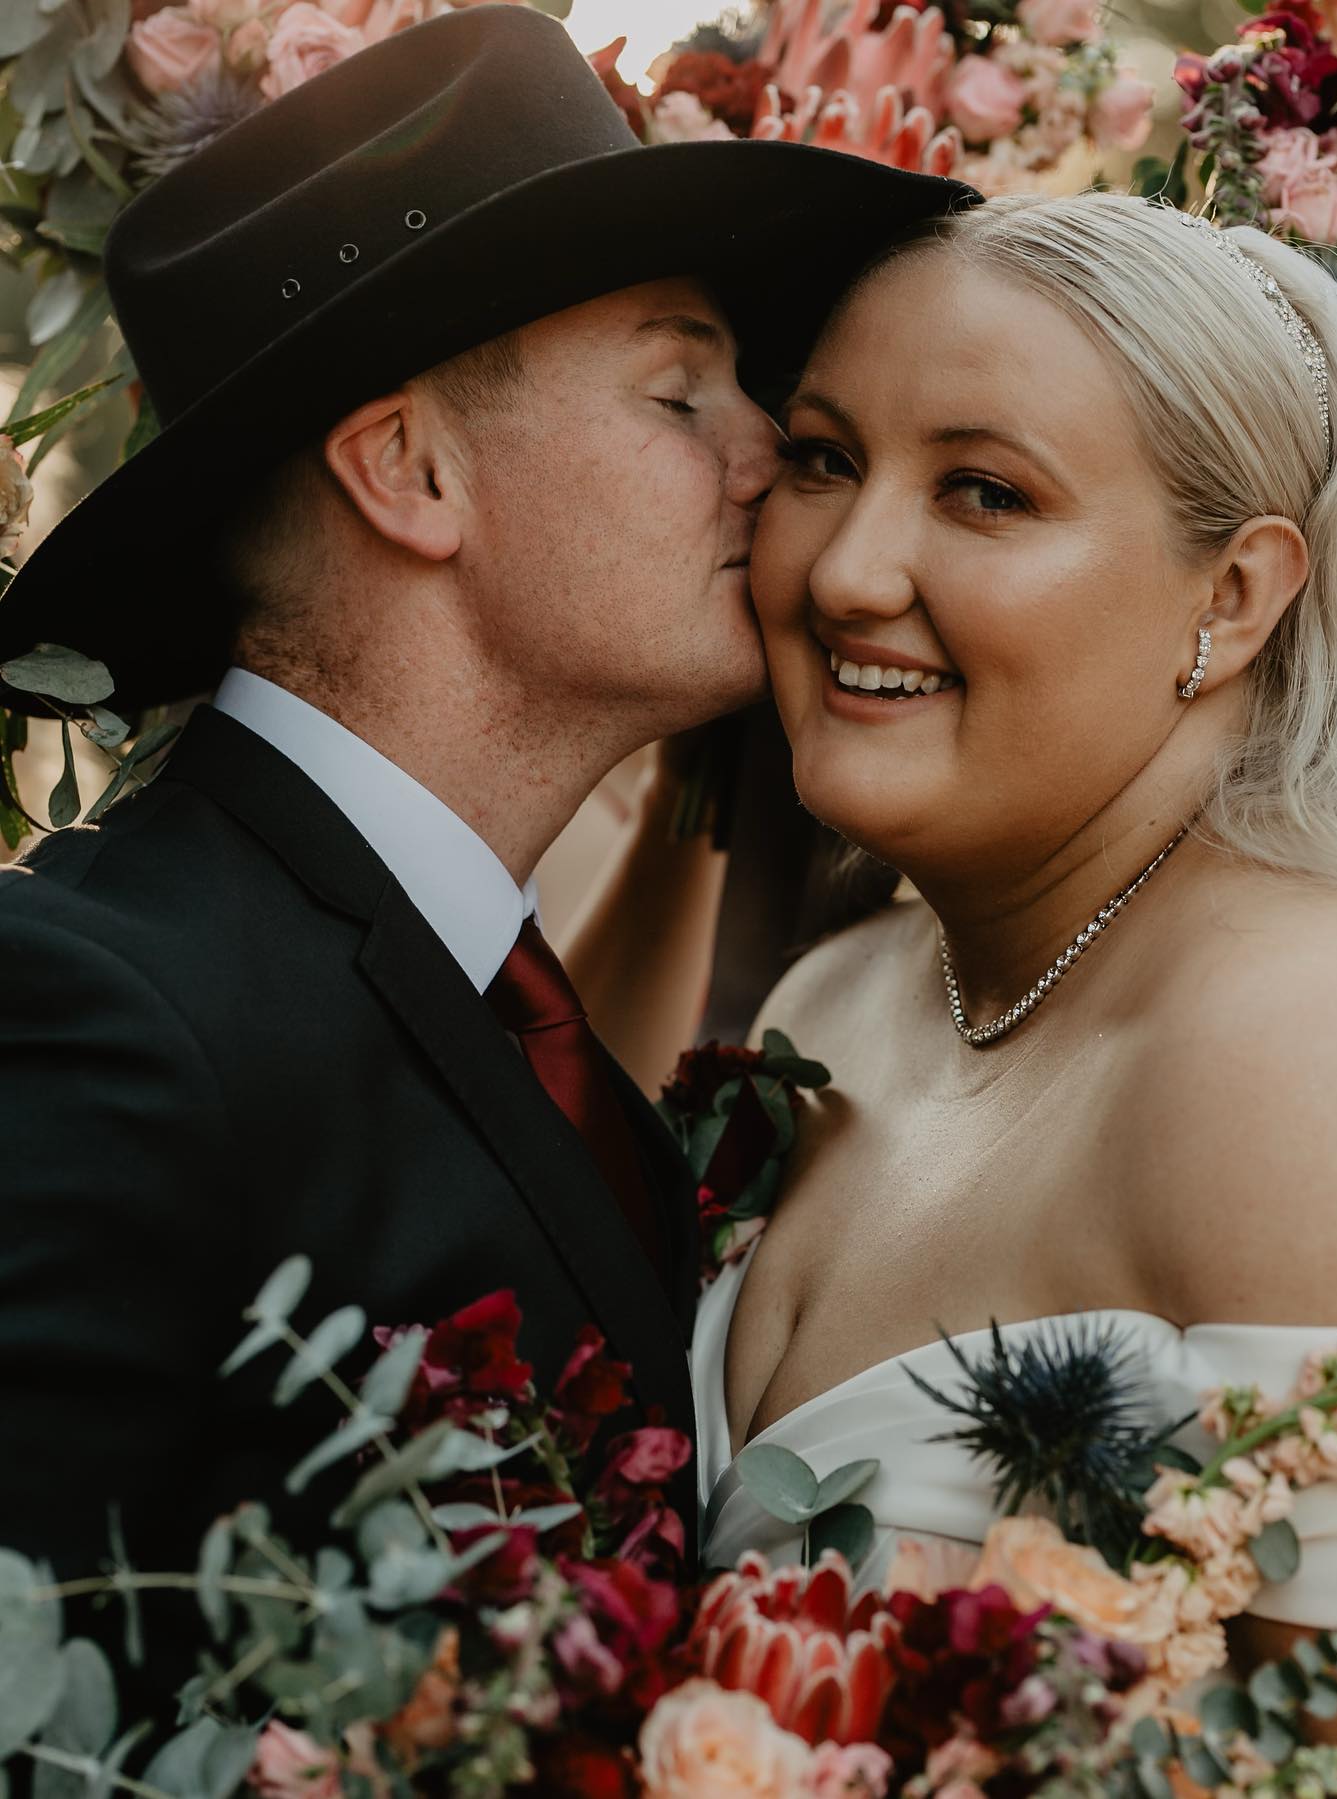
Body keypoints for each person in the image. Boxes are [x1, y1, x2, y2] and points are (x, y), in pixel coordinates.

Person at [0, 0, 969, 1635]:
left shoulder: (514, 1015)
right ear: (410, 474)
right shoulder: (94, 1014)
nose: (774, 451)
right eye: (682, 394)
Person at [692, 192, 1337, 1791]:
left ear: (1234, 596)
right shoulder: (834, 1004)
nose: (849, 571)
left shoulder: (1322, 1045)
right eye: (823, 459)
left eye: (986, 491)